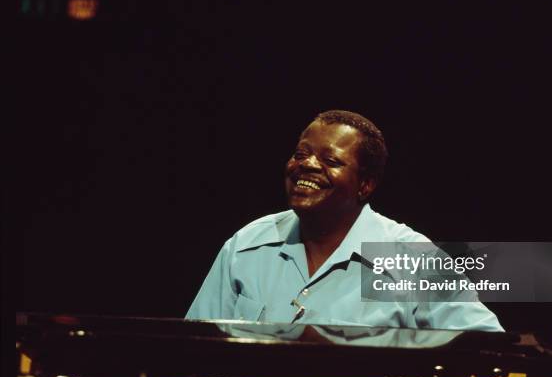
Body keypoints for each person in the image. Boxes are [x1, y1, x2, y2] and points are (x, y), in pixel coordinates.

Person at [187, 110, 502, 331]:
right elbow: (193, 350)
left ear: (365, 185)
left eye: (330, 160)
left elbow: (490, 352)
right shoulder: (245, 245)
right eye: (300, 154)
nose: (307, 165)